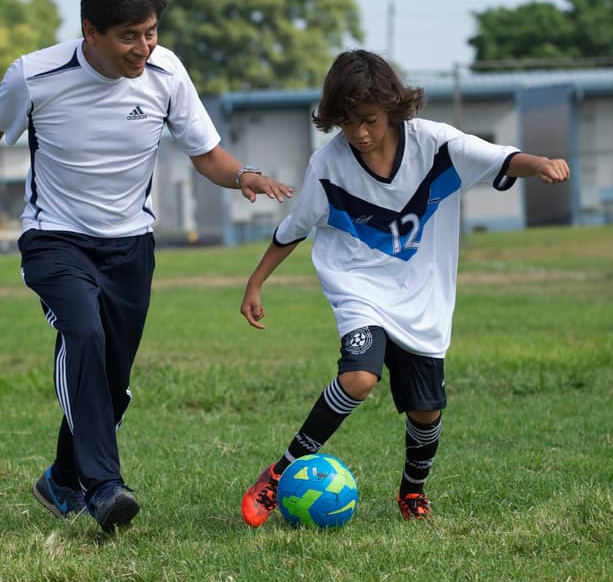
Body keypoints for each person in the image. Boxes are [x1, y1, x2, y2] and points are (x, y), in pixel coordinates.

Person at [0, 0, 292, 533]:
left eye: (151, 32)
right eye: (129, 36)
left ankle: (61, 478)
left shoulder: (166, 73)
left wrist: (244, 175)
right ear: (90, 31)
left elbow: (206, 152)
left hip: (131, 247)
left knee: (112, 386)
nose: (144, 47)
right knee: (83, 335)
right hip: (55, 238)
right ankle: (103, 486)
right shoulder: (35, 75)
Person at [237, 49, 570, 527]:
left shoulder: (435, 145)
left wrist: (540, 163)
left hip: (421, 298)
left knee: (425, 413)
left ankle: (412, 492)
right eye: (348, 122)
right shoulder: (328, 166)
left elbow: (500, 158)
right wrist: (255, 282)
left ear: (392, 108)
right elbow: (296, 226)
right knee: (359, 377)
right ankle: (278, 474)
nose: (361, 133)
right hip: (358, 287)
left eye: (370, 120)